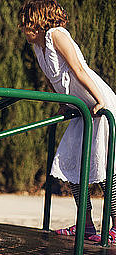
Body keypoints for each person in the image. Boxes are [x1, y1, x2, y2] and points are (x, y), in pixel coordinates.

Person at [19, 0, 116, 242]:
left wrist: (99, 99)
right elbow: (53, 78)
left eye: (26, 24)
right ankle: (86, 225)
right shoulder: (37, 46)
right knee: (71, 164)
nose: (22, 29)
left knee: (103, 166)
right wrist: (64, 104)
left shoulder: (56, 35)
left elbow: (79, 69)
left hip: (96, 102)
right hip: (80, 107)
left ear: (38, 22)